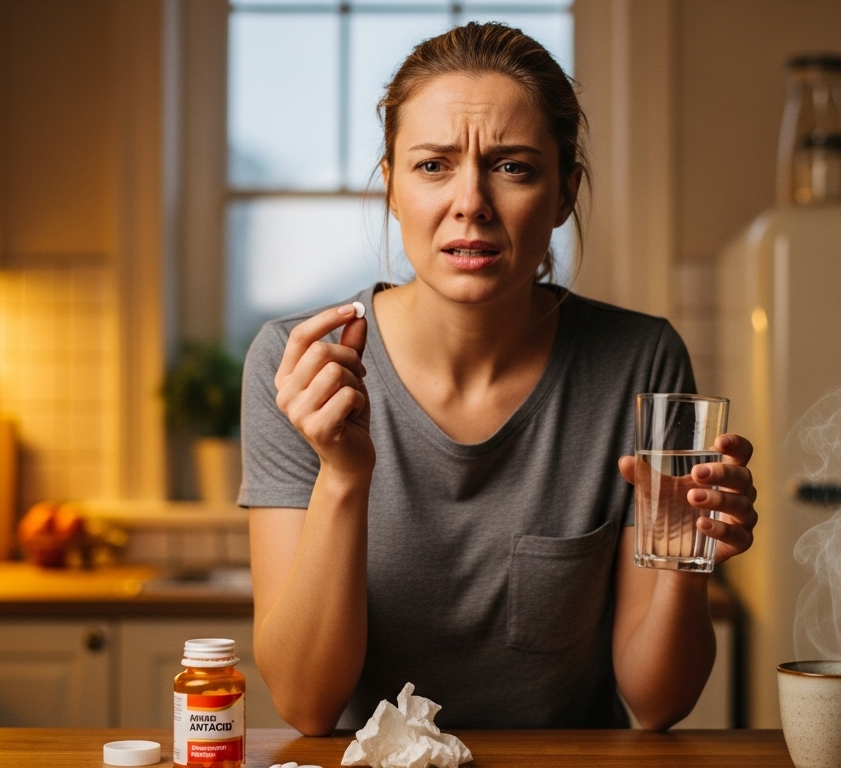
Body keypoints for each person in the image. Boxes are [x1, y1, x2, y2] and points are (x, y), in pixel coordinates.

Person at [241, 22, 758, 735]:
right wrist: (343, 475)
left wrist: (687, 553)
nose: (471, 203)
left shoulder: (641, 362)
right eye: (433, 165)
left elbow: (656, 704)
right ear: (391, 187)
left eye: (513, 167)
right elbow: (306, 704)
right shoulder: (300, 365)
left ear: (565, 193)